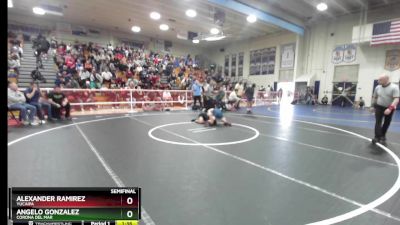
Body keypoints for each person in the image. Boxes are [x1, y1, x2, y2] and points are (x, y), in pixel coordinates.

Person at [370, 74, 399, 146]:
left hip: (389, 107)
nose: (378, 81)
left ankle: (382, 135)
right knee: (378, 122)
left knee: (387, 122)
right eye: (378, 79)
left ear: (386, 79)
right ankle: (377, 137)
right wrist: (372, 106)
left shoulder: (394, 87)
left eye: (380, 80)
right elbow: (375, 97)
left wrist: (390, 108)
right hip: (379, 107)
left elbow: (396, 99)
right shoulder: (377, 87)